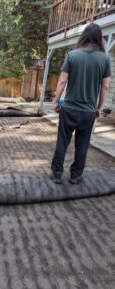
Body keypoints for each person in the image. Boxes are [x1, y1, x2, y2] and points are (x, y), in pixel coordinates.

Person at [51, 23, 111, 184]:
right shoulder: (105, 58)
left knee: (62, 141)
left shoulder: (72, 55)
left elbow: (62, 81)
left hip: (69, 109)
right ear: (99, 39)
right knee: (83, 144)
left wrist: (56, 101)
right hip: (88, 112)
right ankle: (76, 175)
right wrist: (98, 107)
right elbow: (105, 86)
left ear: (83, 36)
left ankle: (57, 173)